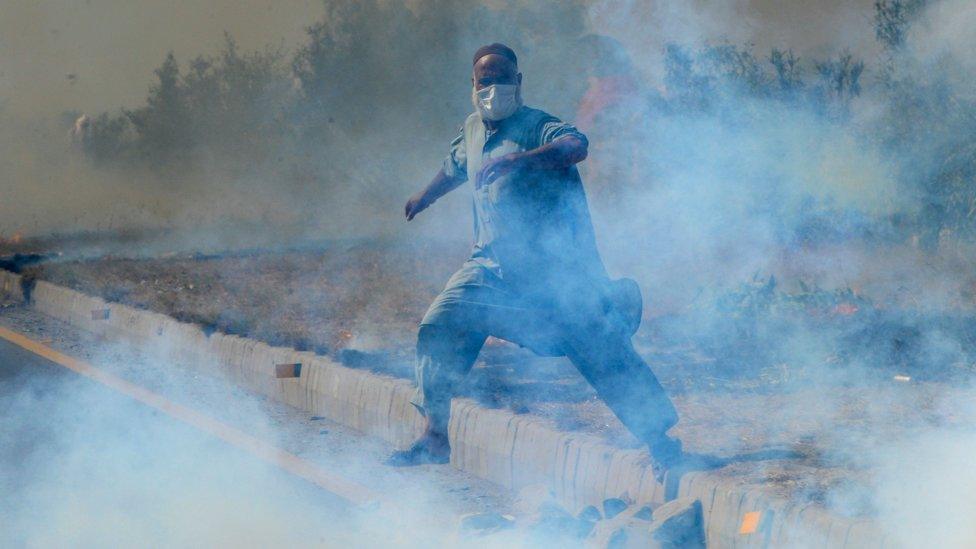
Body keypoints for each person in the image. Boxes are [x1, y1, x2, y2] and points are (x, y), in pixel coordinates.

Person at [392, 43, 683, 476]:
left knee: (599, 347)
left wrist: (521, 161)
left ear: (519, 82)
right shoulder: (472, 130)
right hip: (490, 268)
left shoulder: (536, 126)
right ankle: (435, 435)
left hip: (555, 277)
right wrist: (424, 198)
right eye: (484, 81)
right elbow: (454, 167)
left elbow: (575, 145)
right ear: (473, 86)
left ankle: (661, 444)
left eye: (502, 78)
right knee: (441, 322)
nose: (493, 88)